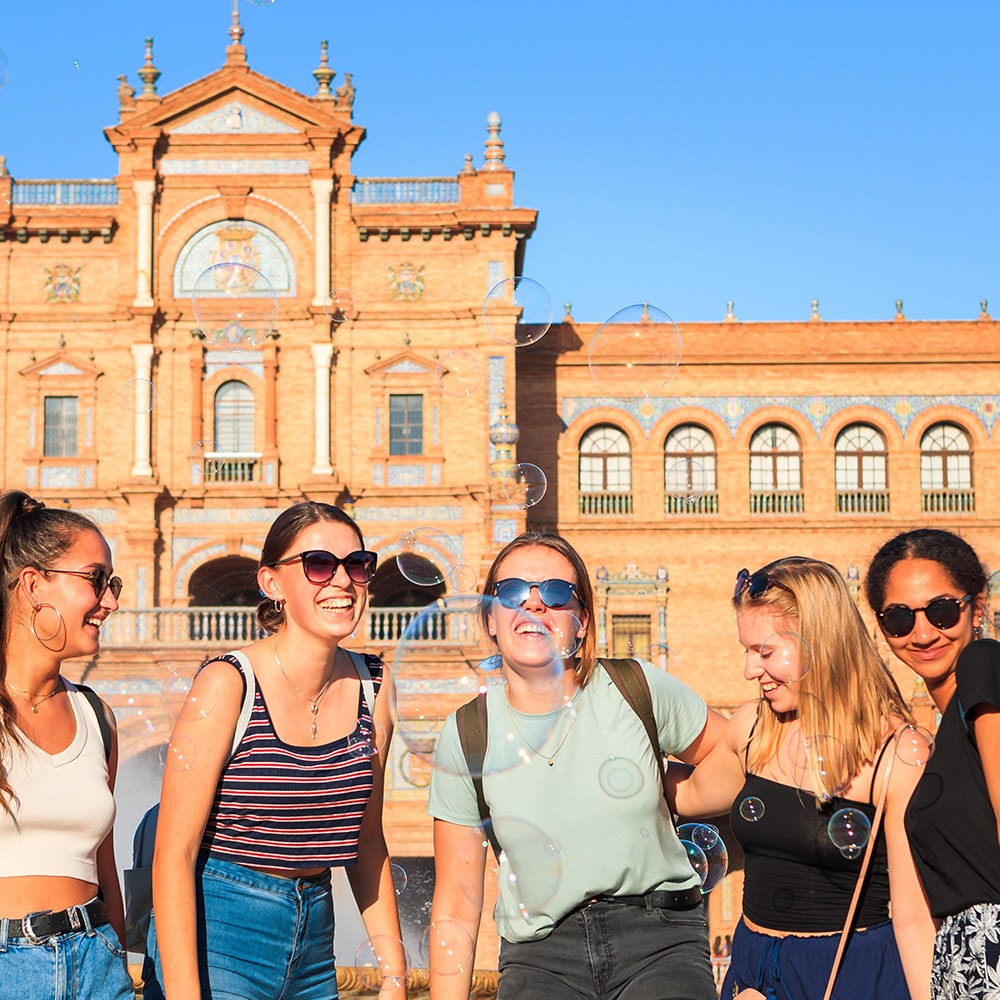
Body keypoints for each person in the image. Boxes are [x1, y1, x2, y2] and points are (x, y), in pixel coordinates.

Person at [427, 531, 727, 1000]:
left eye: (555, 592)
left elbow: (737, 756)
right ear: (489, 618)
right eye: (511, 593)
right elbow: (455, 905)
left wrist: (675, 790)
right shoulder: (466, 734)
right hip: (540, 960)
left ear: (582, 620)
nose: (534, 606)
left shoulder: (636, 688)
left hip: (660, 940)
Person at [144, 501, 407, 999]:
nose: (343, 581)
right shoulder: (227, 683)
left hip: (315, 935)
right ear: (271, 583)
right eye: (318, 565)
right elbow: (172, 854)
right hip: (220, 927)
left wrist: (393, 969)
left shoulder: (376, 685)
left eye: (357, 565)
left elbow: (366, 839)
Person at [671, 556, 935, 1000]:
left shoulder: (897, 752)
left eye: (766, 652)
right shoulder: (753, 727)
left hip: (850, 974)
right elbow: (688, 794)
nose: (750, 670)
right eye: (747, 651)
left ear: (820, 641)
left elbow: (913, 916)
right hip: (751, 970)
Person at [0, 491, 132, 999]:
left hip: (98, 964)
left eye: (112, 583)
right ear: (33, 585)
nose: (112, 601)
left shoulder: (97, 717)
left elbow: (106, 867)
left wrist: (118, 957)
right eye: (96, 579)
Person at [866, 528, 1000, 998]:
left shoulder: (983, 665)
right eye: (899, 619)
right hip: (960, 962)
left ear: (977, 606)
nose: (923, 633)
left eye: (942, 610)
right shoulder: (945, 725)